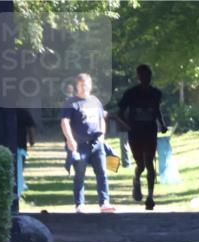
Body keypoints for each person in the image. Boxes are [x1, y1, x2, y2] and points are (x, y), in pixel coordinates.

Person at [60, 73, 115, 213]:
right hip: (80, 145)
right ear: (77, 86)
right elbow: (64, 122)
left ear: (91, 85)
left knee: (102, 173)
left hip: (97, 143)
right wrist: (70, 139)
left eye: (87, 84)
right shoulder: (71, 103)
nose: (85, 87)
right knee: (80, 174)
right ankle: (80, 204)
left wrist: (102, 135)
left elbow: (102, 119)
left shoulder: (95, 101)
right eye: (82, 85)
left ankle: (105, 203)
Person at [118, 64, 166, 210]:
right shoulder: (131, 93)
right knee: (141, 164)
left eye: (149, 75)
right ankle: (136, 179)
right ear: (138, 77)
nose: (146, 78)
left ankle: (150, 197)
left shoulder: (156, 93)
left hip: (150, 131)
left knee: (150, 163)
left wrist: (162, 124)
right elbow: (119, 113)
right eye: (143, 76)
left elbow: (157, 110)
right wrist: (128, 126)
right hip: (135, 132)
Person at [16, 108, 36, 197]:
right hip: (20, 145)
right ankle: (17, 192)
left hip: (19, 146)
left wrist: (32, 139)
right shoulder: (23, 112)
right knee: (19, 169)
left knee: (18, 169)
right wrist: (32, 140)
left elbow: (30, 126)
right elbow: (30, 127)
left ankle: (17, 191)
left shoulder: (23, 112)